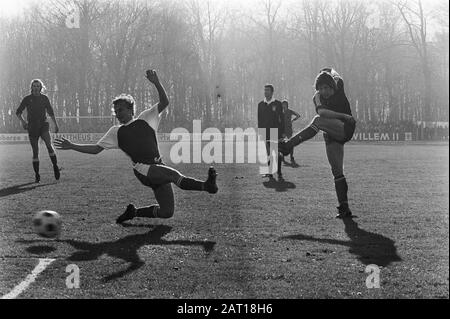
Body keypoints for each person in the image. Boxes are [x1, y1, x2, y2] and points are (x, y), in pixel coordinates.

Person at [54, 69, 218, 224]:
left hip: (157, 167)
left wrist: (157, 83)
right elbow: (96, 149)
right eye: (116, 111)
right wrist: (72, 146)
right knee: (175, 176)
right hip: (143, 169)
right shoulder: (115, 132)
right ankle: (206, 186)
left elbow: (164, 102)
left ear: (131, 109)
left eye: (121, 110)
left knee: (167, 212)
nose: (118, 114)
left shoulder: (145, 118)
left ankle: (133, 212)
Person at [280, 68, 356, 218]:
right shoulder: (317, 97)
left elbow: (333, 73)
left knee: (317, 121)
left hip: (345, 128)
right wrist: (345, 115)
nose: (324, 91)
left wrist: (328, 71)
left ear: (332, 86)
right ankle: (344, 207)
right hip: (331, 133)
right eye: (320, 89)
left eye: (326, 88)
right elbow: (322, 112)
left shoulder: (339, 84)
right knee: (337, 171)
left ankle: (288, 146)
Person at [16, 79, 60, 183]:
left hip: (43, 125)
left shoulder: (44, 98)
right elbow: (18, 112)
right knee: (35, 152)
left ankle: (55, 166)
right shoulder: (27, 99)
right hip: (32, 127)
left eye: (38, 86)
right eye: (34, 86)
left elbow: (50, 112)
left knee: (49, 145)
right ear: (31, 87)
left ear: (41, 87)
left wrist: (55, 124)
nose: (36, 88)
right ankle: (37, 174)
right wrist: (23, 122)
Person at [257, 84, 285, 180]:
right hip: (265, 132)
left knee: (276, 153)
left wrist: (282, 133)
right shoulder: (260, 105)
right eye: (265, 90)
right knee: (268, 154)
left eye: (268, 90)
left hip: (275, 132)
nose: (265, 92)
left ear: (272, 92)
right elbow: (259, 120)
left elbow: (282, 119)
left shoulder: (277, 104)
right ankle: (270, 173)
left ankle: (279, 172)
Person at [280, 99, 300, 164]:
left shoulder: (290, 111)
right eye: (282, 104)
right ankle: (282, 157)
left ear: (287, 105)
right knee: (282, 143)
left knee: (291, 143)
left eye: (284, 104)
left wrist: (293, 120)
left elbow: (298, 115)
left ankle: (291, 157)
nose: (283, 105)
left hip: (289, 129)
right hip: (282, 130)